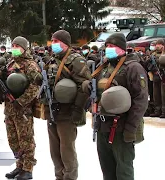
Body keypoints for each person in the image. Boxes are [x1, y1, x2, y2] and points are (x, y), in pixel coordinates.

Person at [92, 32, 148, 180]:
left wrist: (131, 129)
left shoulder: (133, 68)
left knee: (123, 170)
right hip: (103, 125)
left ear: (122, 48)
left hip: (121, 127)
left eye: (112, 46)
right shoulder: (103, 67)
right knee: (107, 169)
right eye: (107, 46)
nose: (108, 48)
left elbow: (140, 101)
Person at [43, 30, 91, 180]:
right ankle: (59, 176)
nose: (53, 44)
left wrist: (77, 109)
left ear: (65, 43)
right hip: (52, 109)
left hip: (68, 111)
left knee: (67, 150)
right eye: (52, 41)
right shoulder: (52, 59)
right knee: (55, 150)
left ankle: (69, 177)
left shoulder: (76, 60)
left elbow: (85, 86)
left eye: (56, 41)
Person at [0, 36, 41, 180]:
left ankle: (28, 168)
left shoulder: (30, 65)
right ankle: (19, 165)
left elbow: (35, 86)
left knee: (26, 138)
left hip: (22, 109)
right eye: (12, 45)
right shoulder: (10, 64)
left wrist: (21, 101)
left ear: (24, 48)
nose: (14, 48)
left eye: (17, 46)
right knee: (13, 139)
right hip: (9, 108)